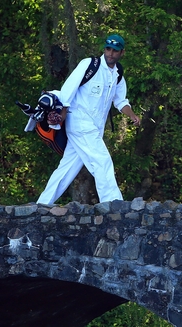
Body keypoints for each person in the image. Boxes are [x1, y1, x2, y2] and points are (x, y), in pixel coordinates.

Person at [36, 34, 141, 205]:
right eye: (108, 49)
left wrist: (132, 115)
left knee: (67, 168)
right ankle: (114, 204)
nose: (110, 53)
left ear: (122, 52)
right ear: (104, 49)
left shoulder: (117, 74)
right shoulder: (90, 65)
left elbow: (121, 101)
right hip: (79, 121)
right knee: (102, 161)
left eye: (115, 51)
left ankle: (43, 203)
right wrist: (62, 113)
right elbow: (69, 87)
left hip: (95, 127)